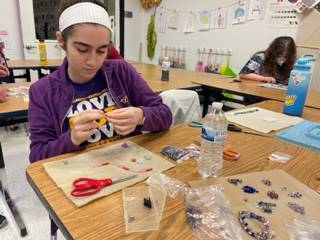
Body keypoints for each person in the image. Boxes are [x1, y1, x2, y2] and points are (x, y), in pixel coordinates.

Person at [28, 0, 172, 163]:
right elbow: (37, 156)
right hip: (80, 175)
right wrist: (71, 138)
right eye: (82, 49)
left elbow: (165, 114)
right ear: (61, 40)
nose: (93, 61)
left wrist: (141, 116)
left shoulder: (121, 71)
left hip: (131, 165)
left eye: (102, 50)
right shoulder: (42, 92)